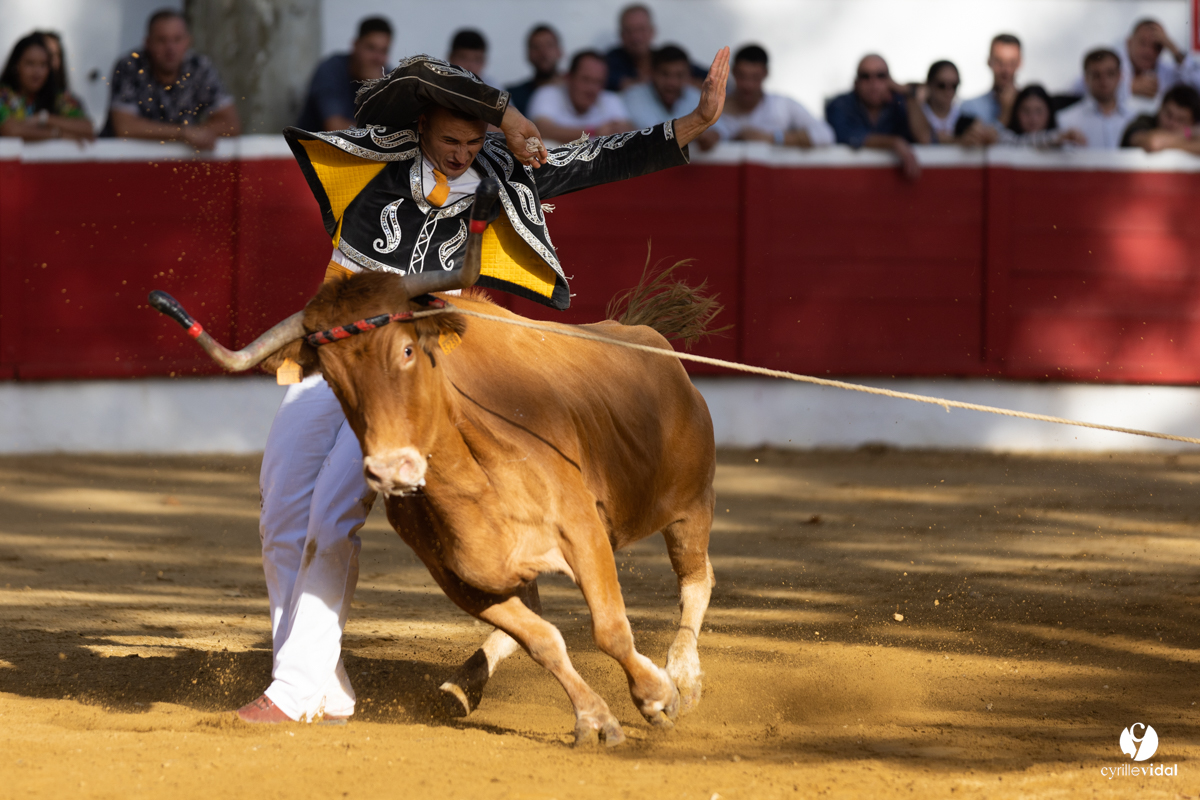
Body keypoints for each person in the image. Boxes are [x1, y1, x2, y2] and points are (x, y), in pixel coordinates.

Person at [236, 47, 732, 724]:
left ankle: (294, 689)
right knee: (281, 515)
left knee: (331, 517)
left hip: (407, 371)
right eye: (450, 141)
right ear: (422, 129)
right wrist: (508, 112)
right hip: (337, 354)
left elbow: (598, 159)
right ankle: (321, 678)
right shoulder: (383, 150)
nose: (462, 155)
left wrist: (693, 124)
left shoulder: (500, 169)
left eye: (473, 144)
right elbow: (418, 72)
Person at [106, 9, 240, 151]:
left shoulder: (199, 67)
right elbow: (125, 127)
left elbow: (231, 124)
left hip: (180, 162)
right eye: (161, 40)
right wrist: (183, 133)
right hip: (125, 160)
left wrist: (195, 133)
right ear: (147, 43)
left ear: (188, 41)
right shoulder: (130, 66)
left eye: (177, 39)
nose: (170, 48)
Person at [712, 44, 832, 148]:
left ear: (766, 74)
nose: (748, 85)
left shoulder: (781, 106)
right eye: (742, 76)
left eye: (755, 77)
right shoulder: (712, 110)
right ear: (732, 72)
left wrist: (773, 138)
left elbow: (825, 135)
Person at [1072, 19, 1200, 116]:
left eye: (1156, 46)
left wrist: (1174, 49)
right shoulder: (1111, 63)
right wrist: (1127, 87)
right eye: (1143, 43)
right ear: (1129, 42)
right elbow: (1078, 90)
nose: (1149, 51)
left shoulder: (1166, 71)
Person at [825, 54, 920, 180]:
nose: (873, 82)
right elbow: (848, 135)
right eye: (865, 76)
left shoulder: (899, 104)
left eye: (880, 75)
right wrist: (894, 142)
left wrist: (909, 94)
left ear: (890, 81)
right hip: (848, 182)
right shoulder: (840, 105)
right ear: (856, 82)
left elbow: (925, 137)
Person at [295, 16, 391, 131]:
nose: (377, 59)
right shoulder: (331, 70)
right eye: (371, 48)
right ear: (356, 45)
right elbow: (335, 128)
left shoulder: (389, 78)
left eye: (384, 51)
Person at [0, 32, 93, 142]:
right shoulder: (3, 95)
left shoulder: (59, 97)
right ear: (16, 65)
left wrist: (44, 118)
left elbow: (88, 128)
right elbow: (11, 130)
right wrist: (56, 134)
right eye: (30, 63)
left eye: (43, 65)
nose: (37, 72)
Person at [622, 44, 714, 148]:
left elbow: (718, 129)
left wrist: (710, 136)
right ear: (651, 73)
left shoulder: (696, 96)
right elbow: (657, 135)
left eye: (679, 75)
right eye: (665, 74)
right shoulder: (633, 97)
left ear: (689, 76)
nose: (672, 82)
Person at [529, 50, 632, 142]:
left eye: (598, 82)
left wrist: (622, 130)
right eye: (586, 80)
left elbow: (629, 131)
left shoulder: (610, 99)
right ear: (568, 78)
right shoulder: (547, 94)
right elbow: (541, 130)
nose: (591, 89)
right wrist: (593, 132)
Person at [1057, 48, 1136, 149]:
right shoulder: (1066, 120)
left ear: (1120, 76)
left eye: (1110, 73)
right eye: (1096, 75)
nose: (1104, 81)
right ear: (1086, 78)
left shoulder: (1135, 118)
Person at [960, 34, 1022, 130]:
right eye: (999, 62)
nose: (1006, 70)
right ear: (989, 61)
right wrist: (1005, 114)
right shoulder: (970, 107)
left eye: (1011, 63)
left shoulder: (1035, 105)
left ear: (1019, 63)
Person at [996, 84, 1085, 147]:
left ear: (1049, 112)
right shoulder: (1006, 139)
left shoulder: (1064, 145)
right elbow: (1020, 142)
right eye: (1026, 111)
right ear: (1016, 113)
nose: (1033, 118)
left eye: (1039, 111)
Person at [1122, 84, 1200, 155]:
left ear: (1193, 122)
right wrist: (1189, 132)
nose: (1172, 123)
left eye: (1181, 120)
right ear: (1160, 109)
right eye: (1169, 115)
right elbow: (1154, 143)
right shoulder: (1143, 121)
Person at [505, 25, 562, 115]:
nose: (543, 53)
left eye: (549, 45)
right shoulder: (513, 97)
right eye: (536, 47)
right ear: (528, 54)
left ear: (560, 51)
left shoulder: (575, 93)